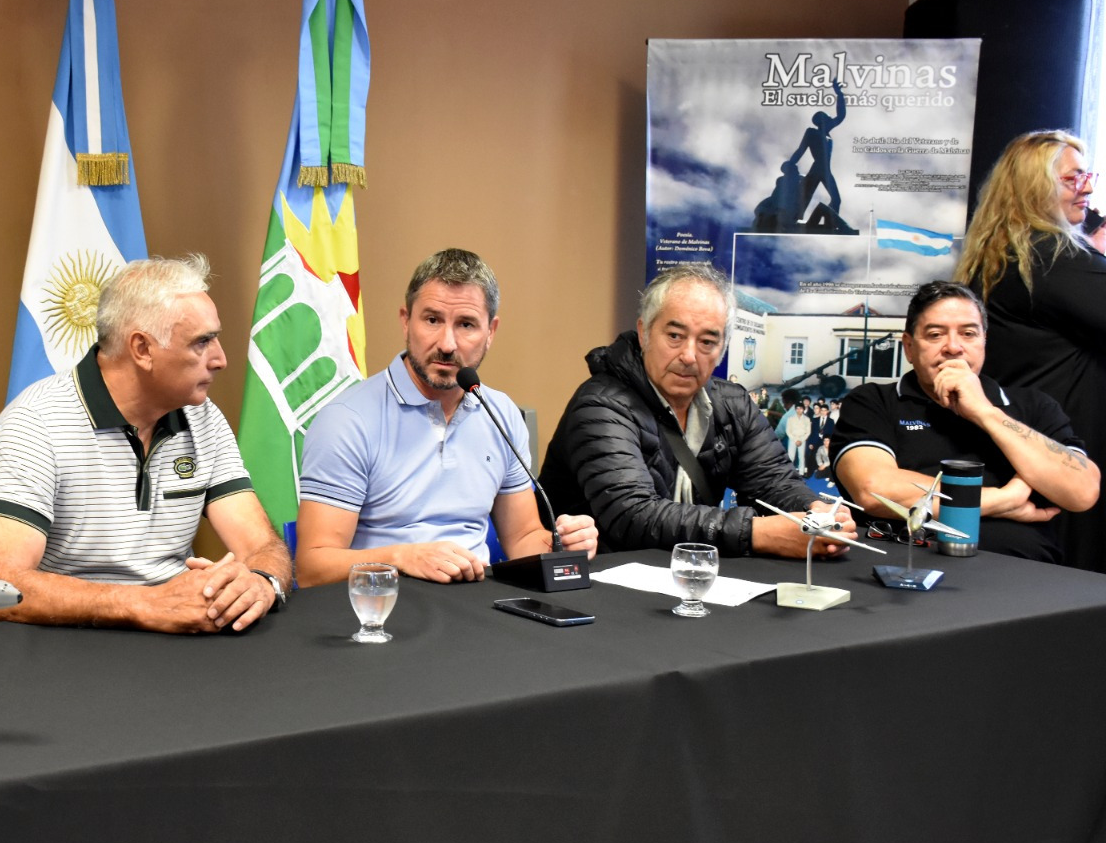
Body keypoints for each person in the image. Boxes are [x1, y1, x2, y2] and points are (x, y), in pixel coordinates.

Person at [0, 255, 288, 632]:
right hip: (64, 648)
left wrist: (262, 582)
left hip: (174, 640)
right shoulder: (36, 422)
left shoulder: (202, 416)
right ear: (142, 349)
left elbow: (262, 546)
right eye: (202, 342)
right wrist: (144, 604)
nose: (220, 359)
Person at [294, 249, 599, 587]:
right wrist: (402, 557)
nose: (447, 344)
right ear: (405, 320)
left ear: (491, 331)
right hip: (382, 604)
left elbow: (524, 538)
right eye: (432, 320)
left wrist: (565, 544)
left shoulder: (501, 414)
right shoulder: (346, 421)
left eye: (466, 324)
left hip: (478, 604)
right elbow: (312, 567)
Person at [540, 262, 853, 557]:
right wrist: (758, 533)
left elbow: (774, 481)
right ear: (644, 332)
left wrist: (818, 514)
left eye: (706, 342)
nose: (689, 355)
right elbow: (633, 516)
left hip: (692, 574)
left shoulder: (733, 404)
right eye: (675, 336)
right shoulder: (601, 405)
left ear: (722, 350)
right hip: (601, 582)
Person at [832, 280, 1098, 563]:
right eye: (935, 335)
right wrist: (1003, 499)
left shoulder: (1035, 406)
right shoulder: (873, 402)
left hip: (1021, 575)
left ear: (984, 341)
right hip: (906, 568)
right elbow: (875, 490)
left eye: (969, 333)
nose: (954, 347)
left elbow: (1081, 492)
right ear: (909, 347)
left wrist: (985, 412)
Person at [954, 130, 1106, 572]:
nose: (1089, 188)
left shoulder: (1004, 256)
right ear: (1034, 186)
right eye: (1073, 178)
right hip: (1061, 462)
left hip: (1031, 454)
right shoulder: (1048, 254)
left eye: (1088, 176)